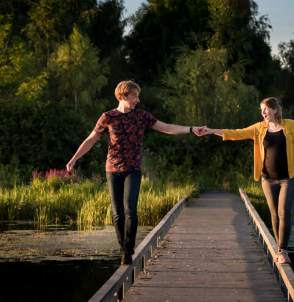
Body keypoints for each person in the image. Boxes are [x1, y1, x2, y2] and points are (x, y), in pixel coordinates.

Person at [66, 80, 205, 265]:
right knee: (117, 213)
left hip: (133, 169)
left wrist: (192, 129)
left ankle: (127, 251)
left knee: (130, 209)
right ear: (123, 97)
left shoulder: (141, 117)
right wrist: (74, 158)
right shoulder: (108, 117)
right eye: (135, 96)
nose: (138, 100)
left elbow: (167, 128)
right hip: (112, 170)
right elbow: (91, 139)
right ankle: (123, 246)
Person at [200, 97, 294, 264]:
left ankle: (283, 250)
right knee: (274, 214)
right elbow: (236, 133)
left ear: (275, 109)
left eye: (266, 109)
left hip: (289, 178)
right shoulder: (259, 128)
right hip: (268, 179)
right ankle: (279, 248)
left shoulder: (291, 126)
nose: (263, 113)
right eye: (262, 110)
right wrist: (210, 131)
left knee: (285, 212)